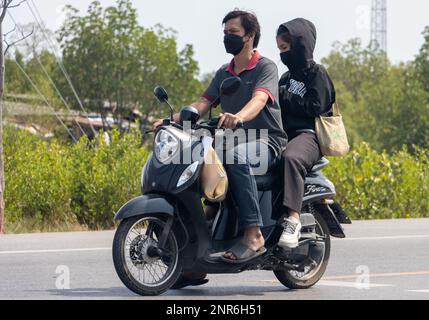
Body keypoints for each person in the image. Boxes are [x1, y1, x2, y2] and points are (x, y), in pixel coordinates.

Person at [154, 9, 287, 268]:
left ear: (250, 36)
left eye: (233, 33)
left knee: (231, 155)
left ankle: (253, 233)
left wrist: (238, 116)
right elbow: (204, 102)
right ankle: (198, 241)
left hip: (266, 141)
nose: (227, 38)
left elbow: (259, 100)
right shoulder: (224, 72)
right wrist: (173, 121)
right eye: (225, 33)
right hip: (233, 142)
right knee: (190, 155)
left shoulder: (265, 67)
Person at [275, 18, 336, 248]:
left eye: (286, 48)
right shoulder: (284, 78)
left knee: (291, 158)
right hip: (283, 135)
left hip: (309, 135)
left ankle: (293, 219)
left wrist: (287, 98)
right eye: (280, 49)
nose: (283, 54)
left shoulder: (317, 74)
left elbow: (316, 106)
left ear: (300, 45)